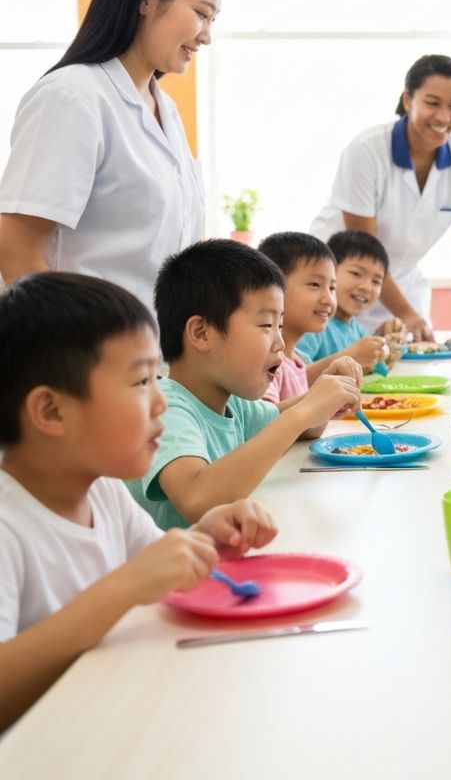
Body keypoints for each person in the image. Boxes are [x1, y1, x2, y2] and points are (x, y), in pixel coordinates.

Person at [0, 273, 277, 730]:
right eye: (141, 381)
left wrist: (206, 538)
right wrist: (123, 588)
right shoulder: (9, 525)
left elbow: (157, 567)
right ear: (51, 411)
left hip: (113, 717)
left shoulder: (104, 493)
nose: (160, 402)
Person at [0, 0, 225, 308]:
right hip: (82, 340)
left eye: (213, 20)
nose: (206, 36)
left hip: (151, 340)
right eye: (201, 14)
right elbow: (16, 247)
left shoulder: (165, 110)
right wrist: (75, 340)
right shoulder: (71, 97)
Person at [126, 240, 362, 530]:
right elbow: (197, 500)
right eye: (266, 325)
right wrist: (307, 410)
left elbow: (303, 428)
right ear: (201, 332)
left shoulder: (233, 403)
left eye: (280, 326)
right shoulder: (165, 409)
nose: (280, 342)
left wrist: (326, 392)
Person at [310, 54, 451, 341]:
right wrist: (406, 314)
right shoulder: (367, 151)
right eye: (432, 103)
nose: (444, 117)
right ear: (408, 100)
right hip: (342, 280)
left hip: (400, 283)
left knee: (410, 362)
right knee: (336, 360)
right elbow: (365, 247)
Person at [257, 232, 359, 422]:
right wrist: (317, 400)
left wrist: (330, 406)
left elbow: (306, 428)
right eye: (315, 284)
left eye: (332, 288)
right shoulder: (266, 362)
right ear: (272, 288)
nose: (328, 299)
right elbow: (262, 423)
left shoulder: (297, 360)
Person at [295, 231, 404, 377]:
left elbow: (374, 370)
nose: (366, 287)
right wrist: (350, 356)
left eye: (376, 281)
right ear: (329, 271)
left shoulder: (356, 328)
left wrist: (383, 343)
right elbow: (293, 379)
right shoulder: (313, 326)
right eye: (356, 273)